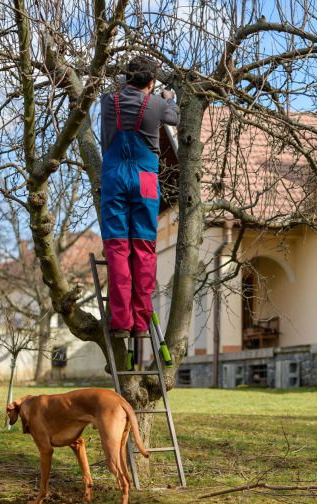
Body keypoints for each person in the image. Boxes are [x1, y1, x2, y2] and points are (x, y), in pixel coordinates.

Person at [100, 56, 180, 337]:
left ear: (126, 78)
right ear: (152, 82)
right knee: (143, 249)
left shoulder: (108, 101)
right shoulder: (157, 104)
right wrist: (170, 99)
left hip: (114, 178)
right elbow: (174, 118)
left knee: (118, 248)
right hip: (145, 179)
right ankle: (140, 321)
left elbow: (115, 89)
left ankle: (121, 322)